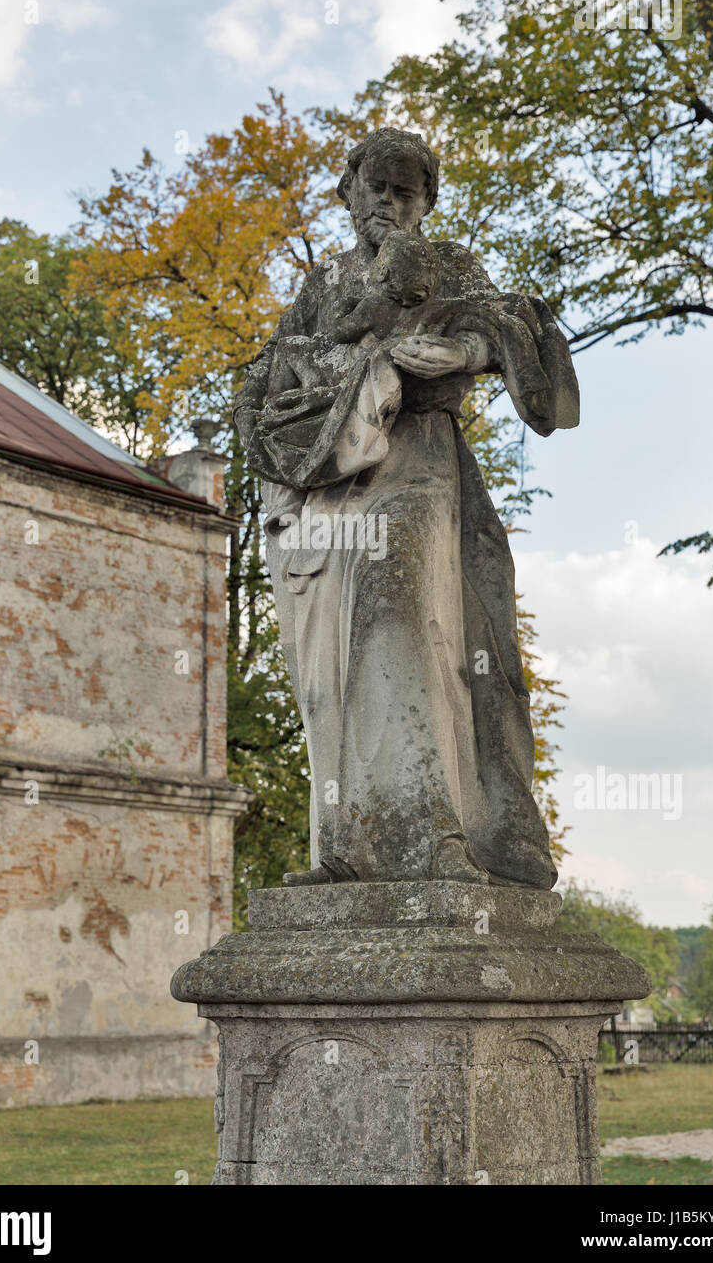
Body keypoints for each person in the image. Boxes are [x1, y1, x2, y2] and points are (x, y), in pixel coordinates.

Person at [235, 127, 578, 889]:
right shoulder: (324, 286)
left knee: (399, 619)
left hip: (421, 463)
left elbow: (518, 332)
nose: (388, 202)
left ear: (427, 203)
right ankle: (346, 846)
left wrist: (468, 353)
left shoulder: (448, 263)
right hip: (331, 488)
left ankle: (431, 837)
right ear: (348, 191)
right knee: (332, 665)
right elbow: (267, 377)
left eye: (405, 191)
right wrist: (348, 357)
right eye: (376, 187)